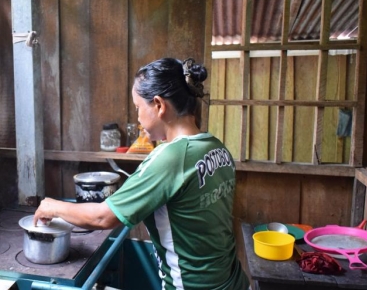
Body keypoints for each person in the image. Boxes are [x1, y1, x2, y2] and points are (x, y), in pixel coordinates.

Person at [34, 57, 249, 290]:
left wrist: (52, 206)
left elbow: (102, 217)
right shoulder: (215, 146)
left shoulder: (170, 158)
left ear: (159, 105)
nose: (137, 118)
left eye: (138, 107)